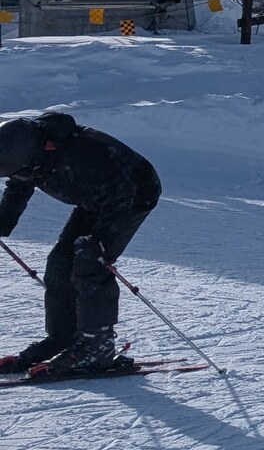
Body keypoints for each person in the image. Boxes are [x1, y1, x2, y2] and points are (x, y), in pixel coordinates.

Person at [0, 111, 163, 379]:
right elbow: (19, 187)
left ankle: (97, 344)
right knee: (60, 261)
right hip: (95, 199)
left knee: (90, 260)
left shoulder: (83, 154)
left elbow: (122, 193)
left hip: (132, 195)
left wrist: (101, 240)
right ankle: (65, 335)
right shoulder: (28, 153)